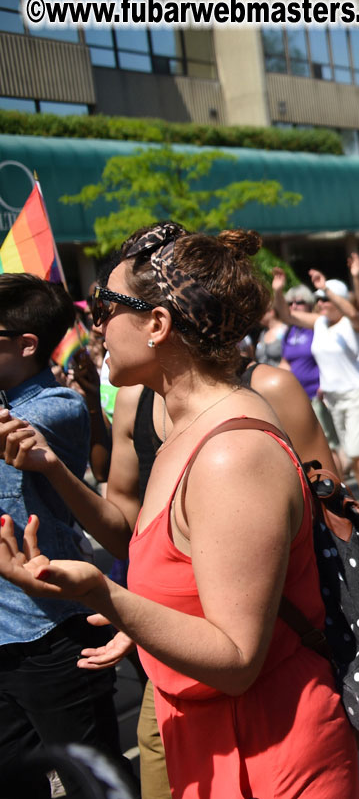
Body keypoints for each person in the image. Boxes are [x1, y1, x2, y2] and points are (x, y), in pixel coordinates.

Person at [0, 223, 359, 798]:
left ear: (157, 324)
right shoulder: (184, 429)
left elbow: (236, 656)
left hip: (264, 745)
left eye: (106, 310)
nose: (95, 328)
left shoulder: (229, 453)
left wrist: (103, 595)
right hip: (203, 723)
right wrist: (142, 625)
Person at [0, 274, 128, 798]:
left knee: (93, 780)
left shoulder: (54, 407)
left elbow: (17, 428)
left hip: (52, 633)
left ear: (26, 344)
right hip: (6, 634)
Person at [273, 271, 359, 521]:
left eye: (326, 300)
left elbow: (354, 312)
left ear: (339, 299)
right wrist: (279, 290)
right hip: (332, 398)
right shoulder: (320, 323)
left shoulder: (352, 324)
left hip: (356, 394)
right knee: (350, 451)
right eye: (319, 300)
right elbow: (286, 315)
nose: (322, 304)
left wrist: (328, 290)